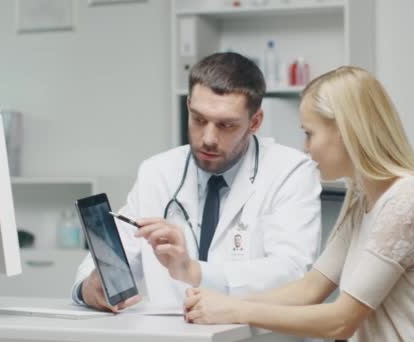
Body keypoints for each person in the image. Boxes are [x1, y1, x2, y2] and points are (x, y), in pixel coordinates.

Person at [184, 66, 414, 341]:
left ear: (347, 132)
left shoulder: (409, 200)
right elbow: (310, 289)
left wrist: (235, 310)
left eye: (309, 134)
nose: (305, 148)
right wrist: (221, 303)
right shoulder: (364, 198)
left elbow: (342, 320)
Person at [71, 52, 322, 312]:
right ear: (188, 106)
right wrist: (87, 287)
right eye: (199, 120)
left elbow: (291, 271)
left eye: (226, 125)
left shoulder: (291, 171)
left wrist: (195, 271)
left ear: (255, 122)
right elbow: (116, 254)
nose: (208, 139)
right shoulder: (158, 171)